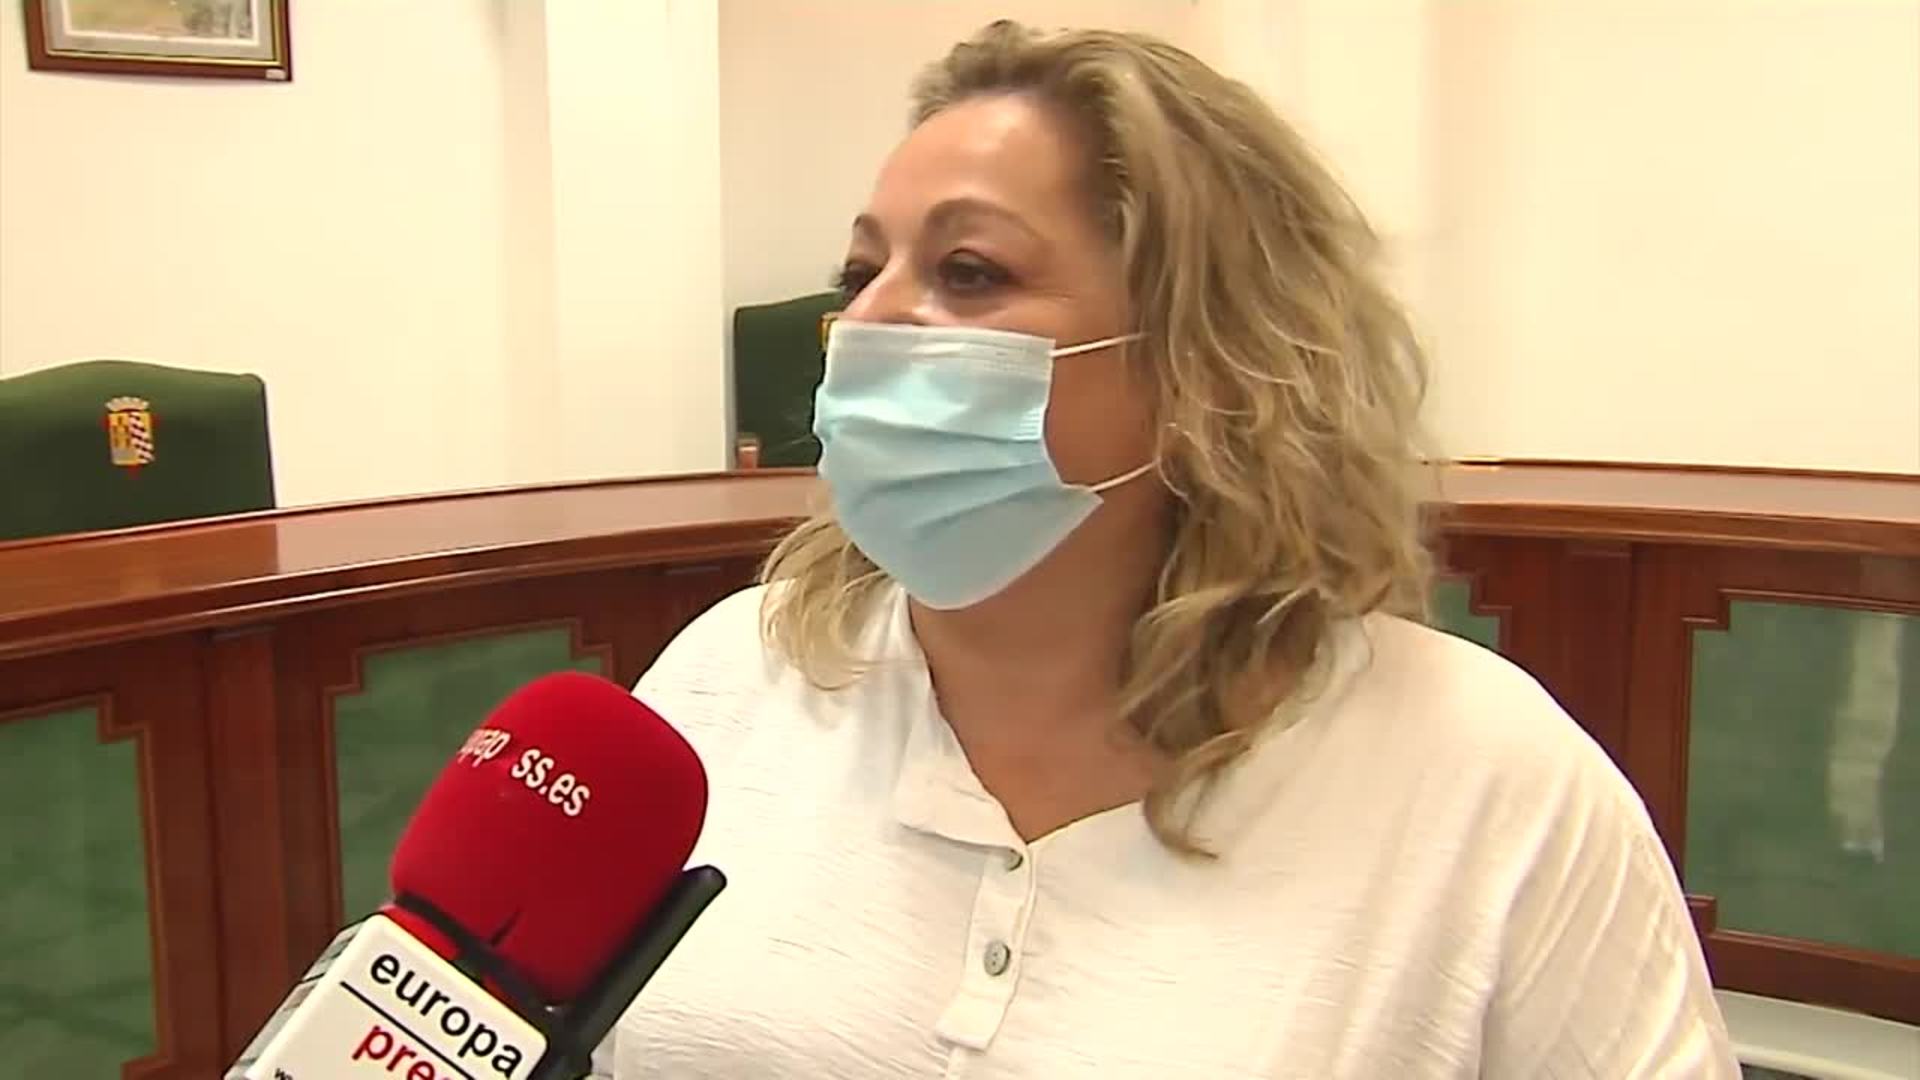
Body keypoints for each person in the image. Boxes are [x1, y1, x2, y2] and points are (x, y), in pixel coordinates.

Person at [595, 20, 1736, 1079]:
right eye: (860, 274)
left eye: (969, 272)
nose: (867, 324)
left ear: (1208, 365)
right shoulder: (731, 676)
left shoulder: (1491, 784)